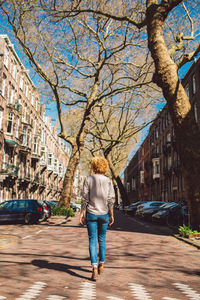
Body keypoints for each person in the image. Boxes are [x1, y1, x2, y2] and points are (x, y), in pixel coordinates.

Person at [80, 157, 115, 281]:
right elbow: (111, 199)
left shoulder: (88, 179)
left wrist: (81, 212)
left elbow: (84, 198)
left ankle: (94, 267)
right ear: (104, 167)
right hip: (104, 214)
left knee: (92, 240)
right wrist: (111, 214)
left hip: (91, 214)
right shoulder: (108, 181)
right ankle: (102, 263)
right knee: (102, 239)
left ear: (94, 167)